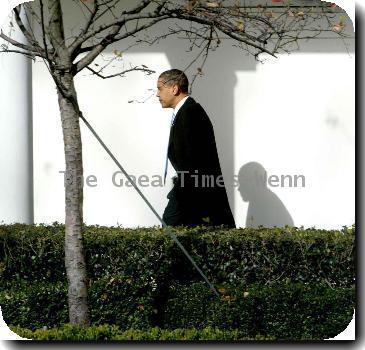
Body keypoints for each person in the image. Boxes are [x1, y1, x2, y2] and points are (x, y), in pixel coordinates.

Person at [156, 69, 235, 228]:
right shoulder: (185, 112)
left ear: (174, 89)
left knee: (169, 237)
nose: (157, 94)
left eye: (159, 88)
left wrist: (181, 194)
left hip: (192, 194)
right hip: (188, 191)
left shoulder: (191, 113)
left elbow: (195, 162)